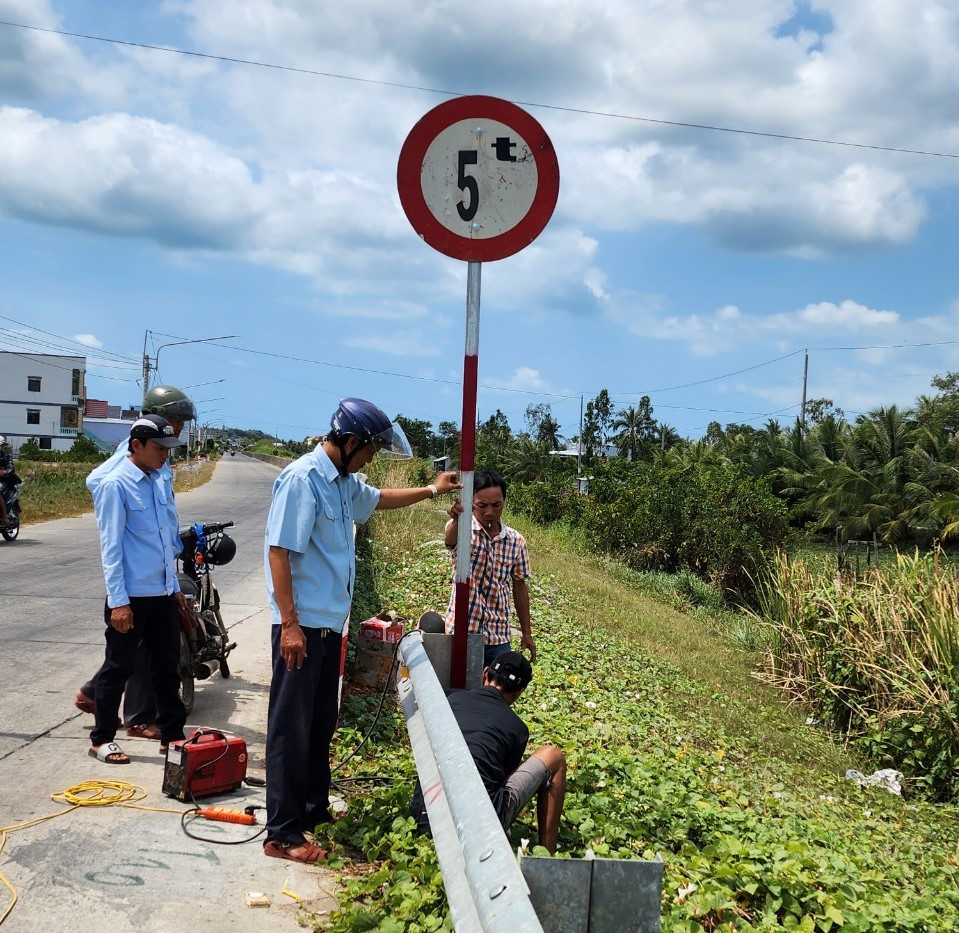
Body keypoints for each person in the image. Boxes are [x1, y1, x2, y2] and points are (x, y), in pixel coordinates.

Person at [262, 397, 462, 863]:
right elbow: (279, 554)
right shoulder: (302, 480)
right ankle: (282, 834)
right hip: (302, 628)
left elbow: (379, 501)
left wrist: (432, 491)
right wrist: (289, 625)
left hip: (329, 626)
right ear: (351, 443)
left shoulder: (343, 483)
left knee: (318, 724)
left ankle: (310, 810)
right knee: (290, 728)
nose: (372, 458)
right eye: (370, 450)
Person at [75, 385, 196, 741]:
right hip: (133, 588)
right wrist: (118, 599)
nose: (177, 430)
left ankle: (170, 734)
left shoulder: (159, 464)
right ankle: (110, 732)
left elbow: (163, 527)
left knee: (164, 664)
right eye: (175, 421)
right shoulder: (123, 469)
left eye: (179, 423)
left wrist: (172, 585)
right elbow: (110, 542)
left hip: (160, 584)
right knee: (125, 663)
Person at [410, 651, 566, 853]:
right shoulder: (517, 729)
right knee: (553, 755)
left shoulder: (448, 698)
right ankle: (548, 852)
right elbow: (501, 780)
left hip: (424, 812)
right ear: (519, 692)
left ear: (486, 673)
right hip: (479, 830)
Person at [444, 471, 535, 666]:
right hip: (462, 631)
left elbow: (519, 586)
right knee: (458, 690)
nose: (489, 512)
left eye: (496, 505)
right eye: (482, 506)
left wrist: (526, 632)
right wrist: (458, 519)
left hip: (498, 635)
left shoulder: (516, 541)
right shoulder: (462, 530)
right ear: (471, 503)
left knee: (496, 691)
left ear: (504, 502)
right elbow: (449, 541)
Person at [0, 436, 14, 527]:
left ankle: (5, 517)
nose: (1, 447)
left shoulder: (7, 457)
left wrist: (4, 472)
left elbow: (11, 468)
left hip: (4, 481)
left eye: (1, 445)